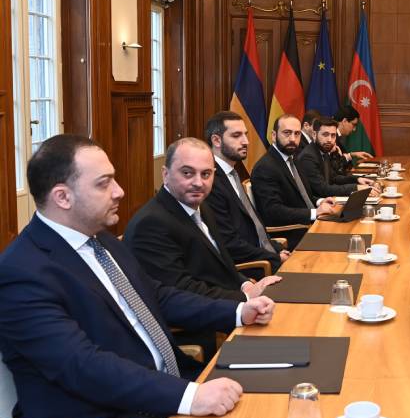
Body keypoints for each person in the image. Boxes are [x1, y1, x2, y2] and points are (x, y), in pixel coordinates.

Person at [0, 134, 276, 418]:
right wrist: (190, 397)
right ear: (63, 197)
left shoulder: (100, 240)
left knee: (272, 410)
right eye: (104, 183)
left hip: (160, 391)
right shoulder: (22, 273)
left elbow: (156, 295)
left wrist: (237, 311)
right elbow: (83, 366)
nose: (119, 191)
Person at [125, 138, 280, 303]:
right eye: (187, 173)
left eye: (206, 174)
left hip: (228, 299)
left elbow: (221, 262)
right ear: (165, 174)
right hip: (207, 313)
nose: (198, 183)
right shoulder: (150, 224)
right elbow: (181, 291)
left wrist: (245, 284)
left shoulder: (202, 206)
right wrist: (246, 297)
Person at [203, 111, 288, 275]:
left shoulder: (232, 173)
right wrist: (273, 257)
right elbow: (229, 243)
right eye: (236, 135)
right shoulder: (210, 181)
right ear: (216, 140)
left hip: (263, 256)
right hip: (250, 269)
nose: (246, 141)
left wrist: (275, 249)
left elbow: (253, 226)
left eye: (245, 134)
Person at [251, 114, 336, 247]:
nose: (292, 139)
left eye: (297, 134)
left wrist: (319, 201)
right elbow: (273, 211)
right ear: (274, 135)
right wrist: (315, 212)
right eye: (287, 133)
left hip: (310, 225)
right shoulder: (265, 167)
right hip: (293, 234)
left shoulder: (293, 158)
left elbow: (302, 195)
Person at [297, 116, 379, 200]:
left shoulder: (323, 151)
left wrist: (357, 179)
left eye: (333, 135)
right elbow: (323, 189)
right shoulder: (308, 157)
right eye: (325, 134)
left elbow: (334, 178)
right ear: (314, 135)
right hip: (318, 204)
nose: (329, 140)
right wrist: (356, 188)